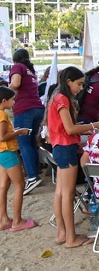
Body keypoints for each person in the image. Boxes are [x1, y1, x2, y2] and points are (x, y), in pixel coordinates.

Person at [48, 66, 99, 248]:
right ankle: (71, 238)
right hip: (65, 148)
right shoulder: (63, 99)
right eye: (79, 84)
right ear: (69, 82)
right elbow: (70, 129)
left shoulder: (57, 97)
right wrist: (94, 125)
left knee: (60, 193)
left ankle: (62, 233)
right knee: (67, 194)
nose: (81, 88)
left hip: (61, 147)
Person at [0, 87, 38, 232]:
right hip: (8, 151)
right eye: (12, 99)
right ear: (4, 101)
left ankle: (3, 219)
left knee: (3, 185)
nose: (14, 102)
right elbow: (2, 137)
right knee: (20, 184)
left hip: (2, 153)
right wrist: (19, 132)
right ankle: (17, 221)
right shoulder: (3, 115)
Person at [8, 48, 44, 194]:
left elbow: (15, 84)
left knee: (24, 143)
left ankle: (33, 177)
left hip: (24, 109)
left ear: (14, 59)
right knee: (31, 143)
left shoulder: (17, 67)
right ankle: (36, 173)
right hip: (37, 108)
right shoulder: (30, 71)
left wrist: (5, 90)